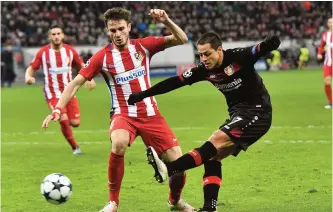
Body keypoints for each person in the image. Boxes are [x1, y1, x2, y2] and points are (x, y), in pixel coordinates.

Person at [42, 8, 195, 212]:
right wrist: (57, 109)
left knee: (179, 164)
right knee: (119, 142)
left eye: (121, 28)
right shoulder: (102, 58)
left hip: (151, 114)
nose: (117, 34)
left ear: (129, 27)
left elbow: (182, 39)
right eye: (113, 30)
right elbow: (74, 83)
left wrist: (166, 20)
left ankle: (175, 201)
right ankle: (113, 202)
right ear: (107, 30)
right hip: (123, 113)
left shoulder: (144, 46)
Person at [128, 32, 281, 212]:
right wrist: (143, 94)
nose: (204, 59)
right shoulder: (204, 70)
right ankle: (210, 208)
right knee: (212, 155)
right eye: (200, 54)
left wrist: (270, 43)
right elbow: (174, 82)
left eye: (207, 54)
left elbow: (257, 50)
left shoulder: (238, 57)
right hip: (238, 115)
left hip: (258, 112)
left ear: (219, 50)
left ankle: (169, 168)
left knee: (215, 140)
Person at [25, 24, 96, 155]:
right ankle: (75, 148)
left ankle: (65, 123)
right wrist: (28, 77)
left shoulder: (70, 51)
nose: (56, 36)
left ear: (63, 35)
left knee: (75, 123)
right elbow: (31, 67)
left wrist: (90, 79)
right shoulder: (43, 53)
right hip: (52, 93)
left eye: (58, 33)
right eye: (53, 34)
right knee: (62, 118)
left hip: (69, 93)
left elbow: (81, 66)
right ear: (49, 37)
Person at [317, 18, 333, 109]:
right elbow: (321, 46)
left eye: (332, 22)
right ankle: (331, 102)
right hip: (328, 62)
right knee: (327, 82)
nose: (331, 24)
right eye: (329, 22)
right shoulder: (325, 35)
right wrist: (319, 53)